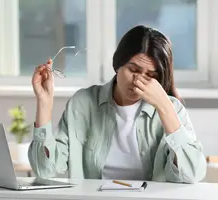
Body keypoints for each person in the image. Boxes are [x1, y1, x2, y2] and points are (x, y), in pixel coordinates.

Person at [28, 25, 207, 183]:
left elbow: (191, 174)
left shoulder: (172, 109)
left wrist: (165, 107)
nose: (138, 81)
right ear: (118, 64)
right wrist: (44, 103)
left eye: (151, 76)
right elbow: (45, 170)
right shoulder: (82, 103)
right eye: (133, 70)